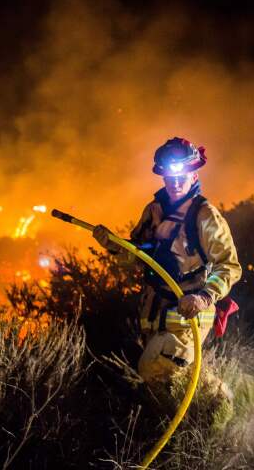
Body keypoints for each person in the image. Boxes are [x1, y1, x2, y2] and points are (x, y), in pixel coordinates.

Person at [93, 137, 242, 383]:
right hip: (154, 315)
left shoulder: (205, 216)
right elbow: (141, 256)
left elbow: (229, 266)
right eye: (169, 177)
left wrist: (204, 297)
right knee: (163, 383)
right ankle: (211, 407)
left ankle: (211, 409)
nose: (174, 183)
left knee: (155, 373)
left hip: (188, 316)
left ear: (194, 175)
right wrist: (114, 246)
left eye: (181, 176)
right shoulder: (154, 210)